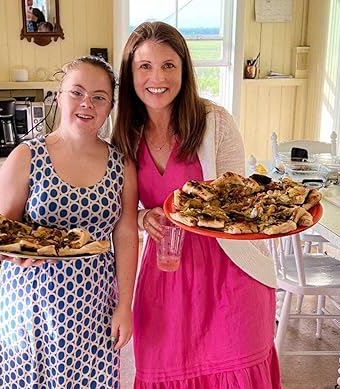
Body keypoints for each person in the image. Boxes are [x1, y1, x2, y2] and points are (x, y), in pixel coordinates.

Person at [112, 21, 281, 388]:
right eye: (145, 66)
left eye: (168, 65)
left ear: (184, 70)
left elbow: (242, 201)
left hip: (230, 274)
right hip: (167, 274)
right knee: (165, 370)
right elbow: (121, 209)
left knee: (234, 372)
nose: (157, 77)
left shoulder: (214, 122)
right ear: (131, 73)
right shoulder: (126, 132)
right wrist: (144, 217)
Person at [0, 56, 139, 388]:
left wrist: (125, 305)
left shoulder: (122, 165)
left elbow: (127, 234)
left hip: (94, 305)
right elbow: (2, 233)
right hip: (30, 306)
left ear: (110, 106)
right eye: (77, 92)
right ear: (59, 96)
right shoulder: (26, 156)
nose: (87, 103)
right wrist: (12, 251)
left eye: (99, 96)